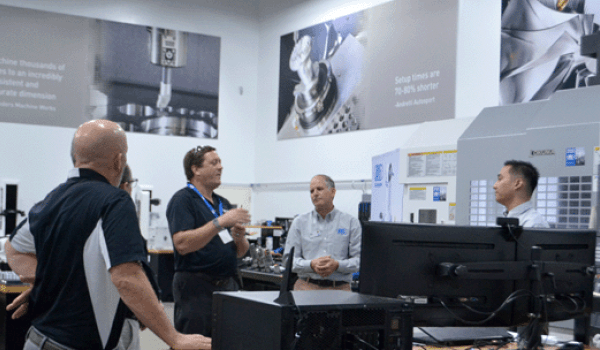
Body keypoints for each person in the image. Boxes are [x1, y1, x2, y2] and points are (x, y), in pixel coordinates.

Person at [5, 120, 210, 350]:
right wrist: (175, 338)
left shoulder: (54, 199)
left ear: (76, 157)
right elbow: (127, 278)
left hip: (36, 341)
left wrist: (44, 284)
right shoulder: (115, 201)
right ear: (119, 160)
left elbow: (13, 249)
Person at [166, 146, 250, 337]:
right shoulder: (183, 200)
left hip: (228, 286)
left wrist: (239, 237)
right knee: (196, 343)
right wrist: (220, 222)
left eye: (220, 162)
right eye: (214, 163)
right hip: (197, 288)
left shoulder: (223, 203)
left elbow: (239, 252)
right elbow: (182, 244)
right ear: (195, 169)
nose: (220, 167)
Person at [284, 174, 361, 291]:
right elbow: (288, 261)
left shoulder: (351, 223)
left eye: (319, 189)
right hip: (306, 288)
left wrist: (337, 265)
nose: (314, 194)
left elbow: (359, 261)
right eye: (311, 191)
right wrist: (310, 265)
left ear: (333, 192)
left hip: (340, 290)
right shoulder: (299, 222)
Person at [493, 160, 550, 228]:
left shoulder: (533, 223)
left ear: (517, 184)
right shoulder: (511, 218)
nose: (494, 186)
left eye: (500, 179)